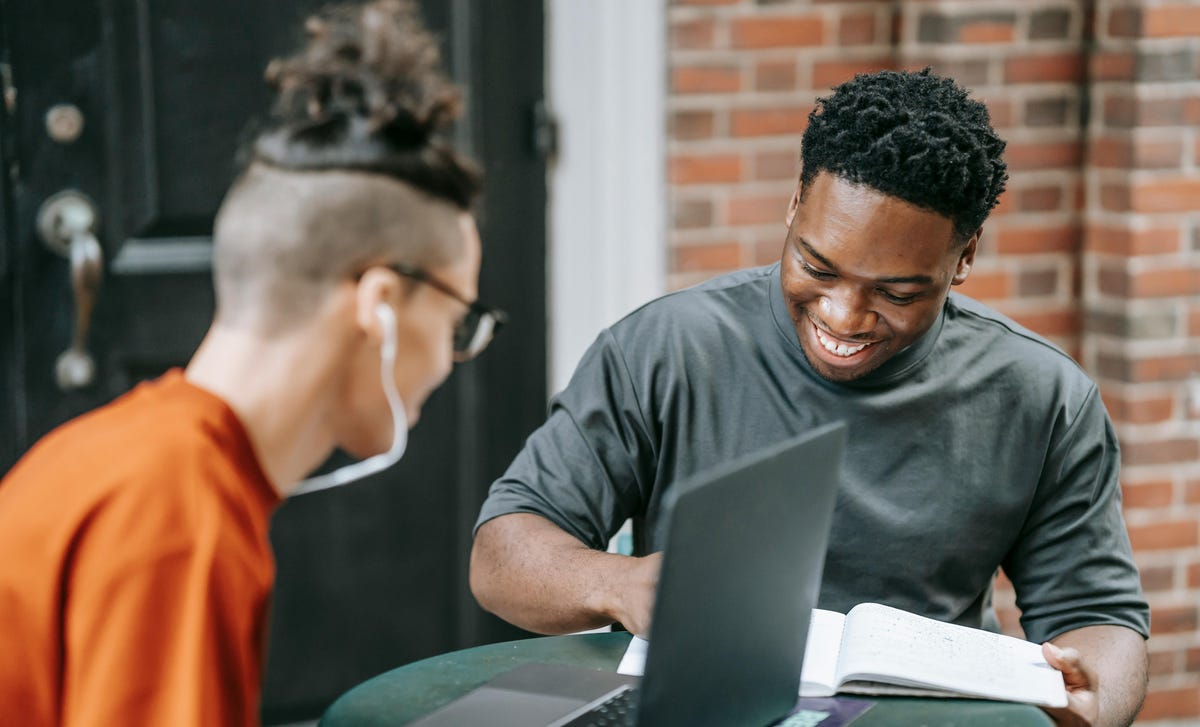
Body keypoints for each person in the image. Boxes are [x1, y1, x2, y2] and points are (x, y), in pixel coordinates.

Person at [470, 69, 1149, 727]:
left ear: (963, 256)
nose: (844, 316)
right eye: (817, 267)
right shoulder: (665, 348)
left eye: (896, 291)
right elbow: (503, 552)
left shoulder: (1042, 396)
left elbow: (1101, 619)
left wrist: (1092, 698)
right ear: (795, 208)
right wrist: (619, 585)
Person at [0, 2, 501, 724]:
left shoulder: (144, 457)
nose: (452, 360)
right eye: (458, 320)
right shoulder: (176, 518)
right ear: (379, 302)